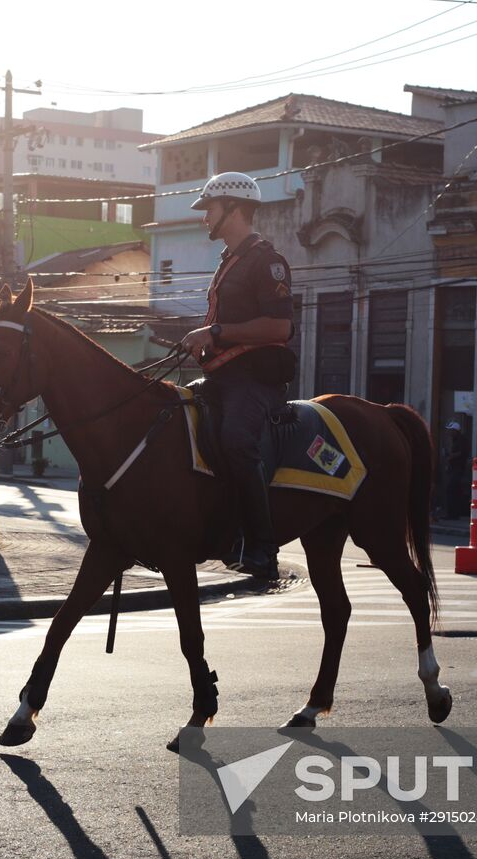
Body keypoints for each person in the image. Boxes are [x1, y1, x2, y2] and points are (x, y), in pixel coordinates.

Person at [179, 172, 296, 580]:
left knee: (236, 441)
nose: (204, 217)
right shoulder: (230, 261)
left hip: (255, 381)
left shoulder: (267, 262)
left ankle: (263, 548)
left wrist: (214, 333)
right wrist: (204, 342)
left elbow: (280, 329)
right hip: (222, 377)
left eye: (209, 209)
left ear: (233, 208)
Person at [443, 420, 471, 520]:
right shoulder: (454, 440)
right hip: (453, 469)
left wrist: (451, 457)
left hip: (458, 469)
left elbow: (463, 453)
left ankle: (452, 514)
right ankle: (452, 513)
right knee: (452, 491)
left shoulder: (461, 440)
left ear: (455, 430)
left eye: (451, 430)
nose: (449, 433)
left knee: (451, 490)